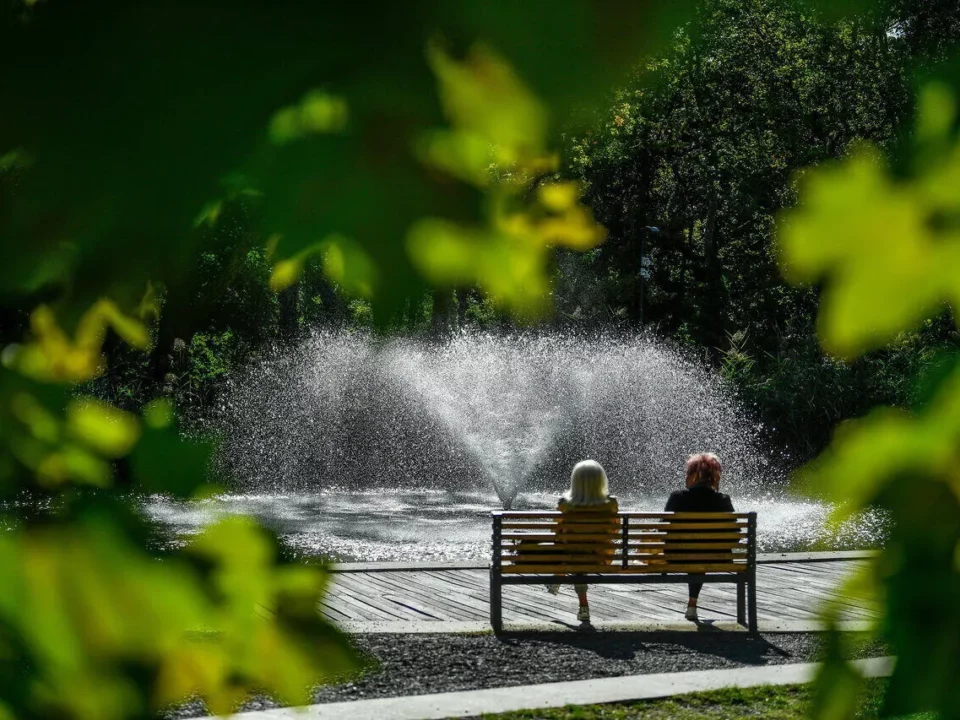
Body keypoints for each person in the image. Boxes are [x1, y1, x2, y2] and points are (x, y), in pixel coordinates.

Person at [547, 459, 619, 623]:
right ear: (601, 480)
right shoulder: (611, 504)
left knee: (572, 548)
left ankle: (559, 576)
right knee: (581, 551)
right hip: (601, 557)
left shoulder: (565, 504)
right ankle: (579, 602)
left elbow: (556, 532)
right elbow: (615, 530)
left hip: (571, 556)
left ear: (575, 480)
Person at [664, 452, 734, 622]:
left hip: (677, 557)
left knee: (694, 552)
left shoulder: (677, 498)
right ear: (715, 476)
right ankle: (692, 603)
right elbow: (734, 536)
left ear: (692, 474)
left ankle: (692, 604)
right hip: (718, 558)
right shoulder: (723, 500)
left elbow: (663, 530)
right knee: (702, 553)